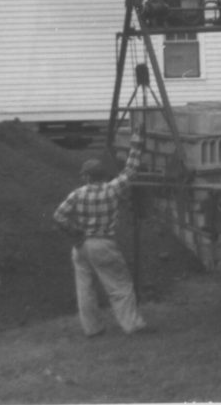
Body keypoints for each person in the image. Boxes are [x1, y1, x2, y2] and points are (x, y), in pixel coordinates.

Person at [52, 133, 148, 337]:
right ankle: (132, 326)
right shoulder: (112, 190)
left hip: (80, 246)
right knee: (119, 286)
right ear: (103, 176)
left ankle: (93, 329)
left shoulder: (77, 194)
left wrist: (73, 231)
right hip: (103, 244)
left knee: (84, 289)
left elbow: (58, 215)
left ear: (86, 177)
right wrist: (136, 144)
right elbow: (130, 171)